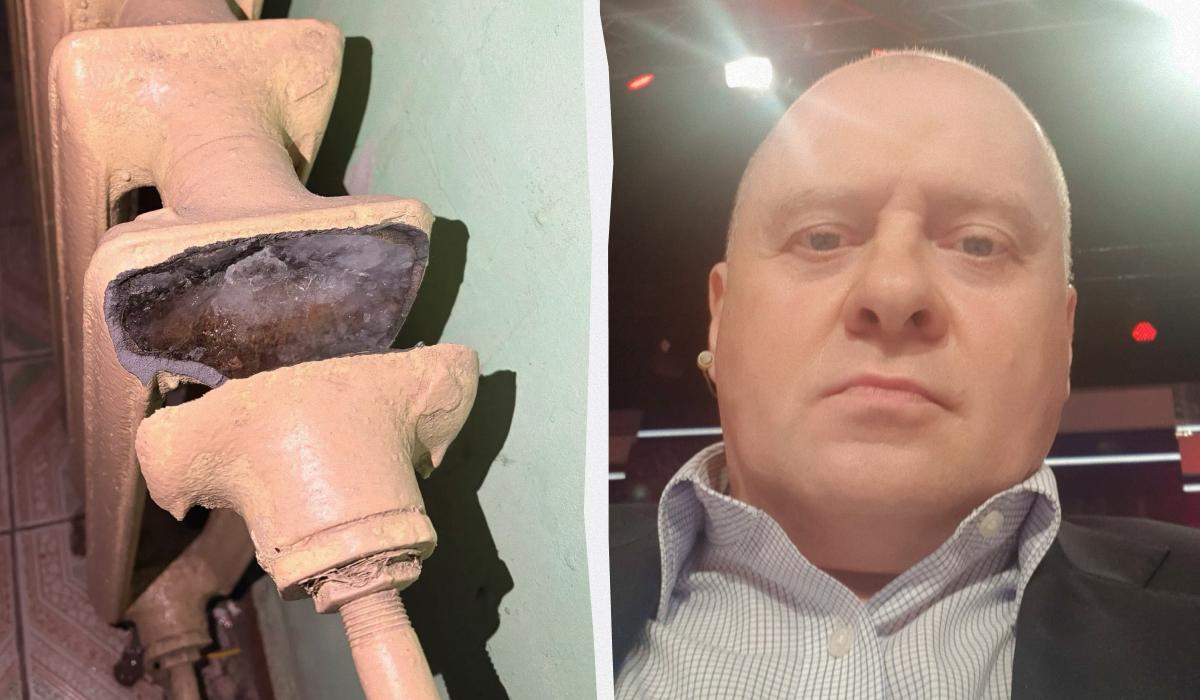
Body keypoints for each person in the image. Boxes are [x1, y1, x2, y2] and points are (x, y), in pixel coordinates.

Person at [611, 49, 1200, 699]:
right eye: (820, 238)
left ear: (1064, 340)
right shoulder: (524, 579)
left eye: (979, 244)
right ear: (720, 318)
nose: (893, 291)